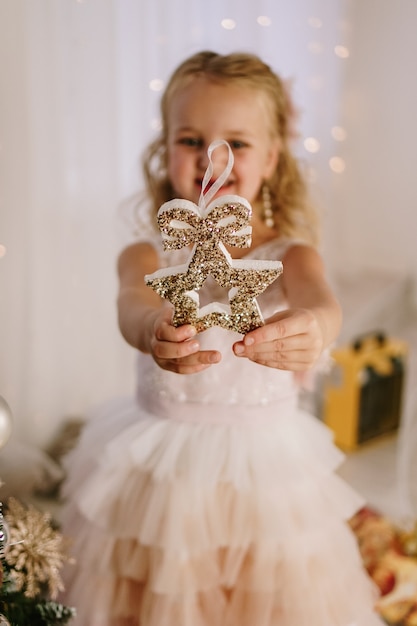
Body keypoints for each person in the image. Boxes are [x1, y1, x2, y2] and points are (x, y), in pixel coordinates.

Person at [60, 51, 385, 626]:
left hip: (262, 466)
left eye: (237, 141)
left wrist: (315, 330)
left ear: (273, 158)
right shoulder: (148, 253)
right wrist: (151, 329)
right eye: (191, 139)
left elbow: (320, 303)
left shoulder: (290, 254)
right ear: (165, 151)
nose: (214, 157)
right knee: (157, 587)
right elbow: (131, 302)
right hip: (160, 466)